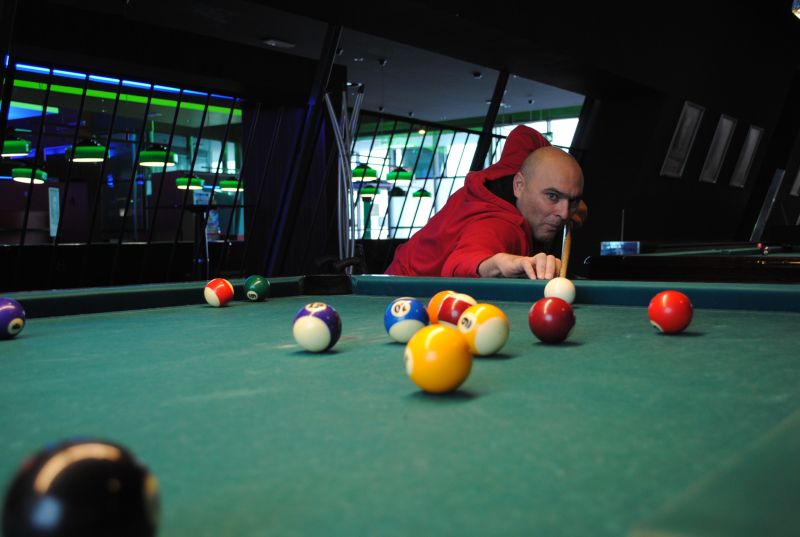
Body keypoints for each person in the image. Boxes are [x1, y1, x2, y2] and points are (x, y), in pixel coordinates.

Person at [385, 125, 586, 279]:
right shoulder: (499, 225)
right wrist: (502, 262)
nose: (564, 213)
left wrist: (570, 200)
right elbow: (461, 262)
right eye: (552, 196)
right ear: (519, 185)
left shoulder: (520, 162)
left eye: (573, 200)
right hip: (402, 291)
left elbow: (522, 134)